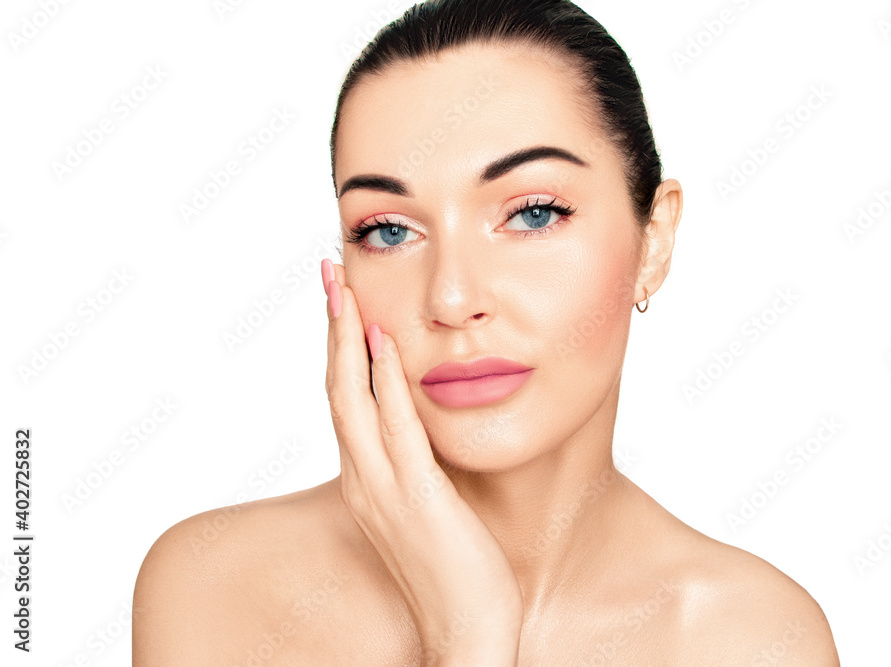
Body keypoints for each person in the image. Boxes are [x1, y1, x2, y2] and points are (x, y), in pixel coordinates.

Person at [133, 0, 840, 664]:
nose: (450, 296)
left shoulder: (751, 639)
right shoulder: (215, 587)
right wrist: (469, 635)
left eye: (533, 213)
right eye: (387, 229)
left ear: (653, 240)